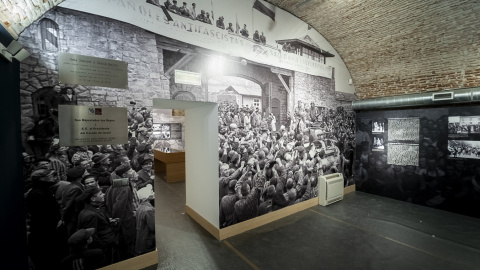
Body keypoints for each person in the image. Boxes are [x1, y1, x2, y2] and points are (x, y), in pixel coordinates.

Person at [25, 169, 63, 270]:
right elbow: (43, 217)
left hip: (47, 233)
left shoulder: (44, 191)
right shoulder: (38, 194)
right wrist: (56, 224)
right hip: (44, 235)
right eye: (52, 175)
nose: (55, 177)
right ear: (41, 179)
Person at [77, 186, 118, 264]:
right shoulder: (90, 215)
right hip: (104, 249)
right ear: (93, 199)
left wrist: (109, 222)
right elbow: (92, 236)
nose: (103, 194)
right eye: (100, 194)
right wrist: (104, 247)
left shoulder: (93, 210)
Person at [61, 166, 86, 236]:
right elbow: (69, 206)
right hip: (74, 219)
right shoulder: (76, 188)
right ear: (81, 176)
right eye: (86, 172)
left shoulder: (71, 186)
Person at [135, 184, 156, 254]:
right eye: (151, 192)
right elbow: (153, 227)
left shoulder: (140, 207)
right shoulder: (149, 210)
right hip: (147, 239)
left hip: (140, 238)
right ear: (146, 197)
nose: (153, 193)